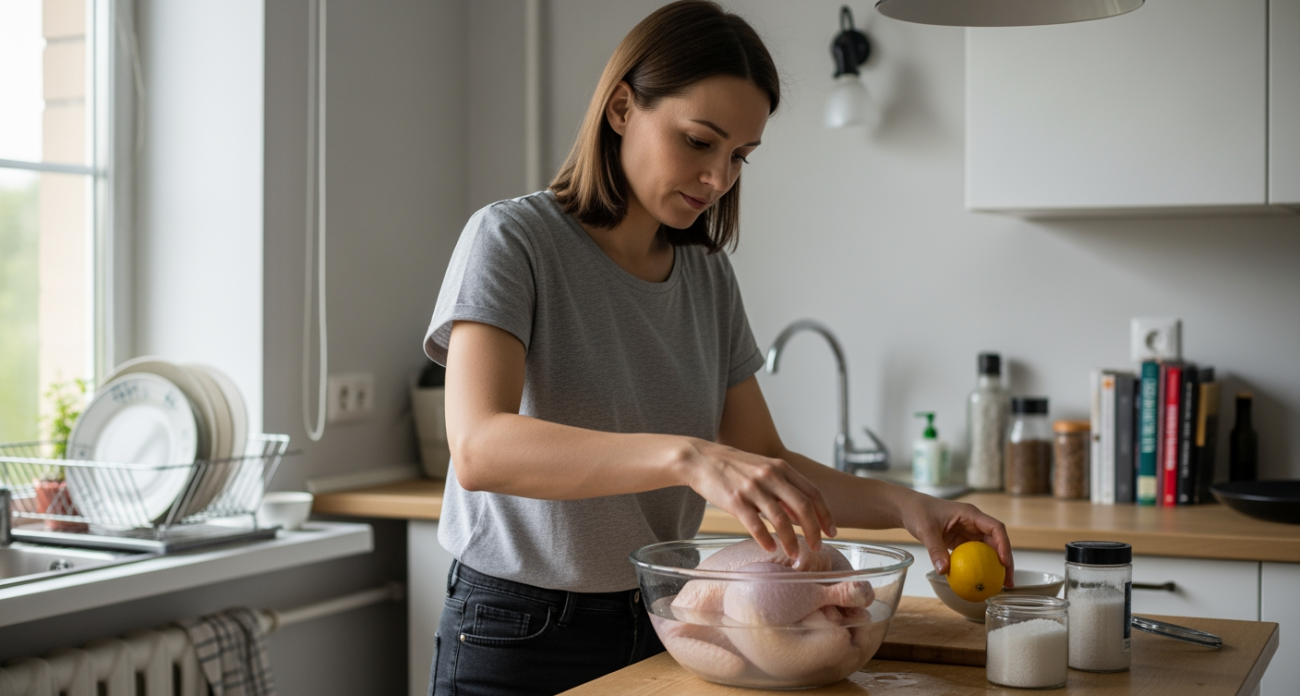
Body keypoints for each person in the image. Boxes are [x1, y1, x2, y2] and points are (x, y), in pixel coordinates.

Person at [422, 2, 1013, 694]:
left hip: (668, 621)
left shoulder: (705, 275)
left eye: (740, 155)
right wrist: (690, 455)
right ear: (620, 109)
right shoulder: (512, 241)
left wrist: (911, 508)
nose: (720, 178)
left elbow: (769, 464)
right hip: (518, 629)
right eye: (700, 141)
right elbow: (481, 448)